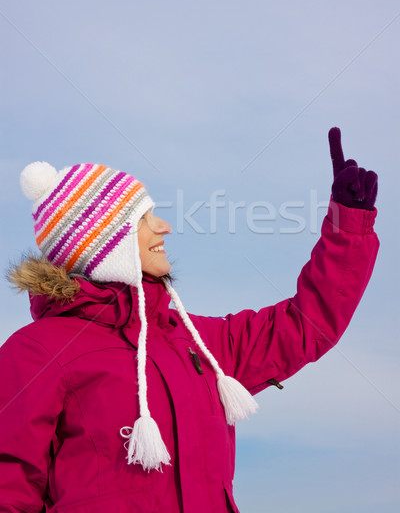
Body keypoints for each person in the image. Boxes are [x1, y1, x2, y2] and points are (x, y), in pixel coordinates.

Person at [0, 127, 379, 513]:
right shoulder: (37, 352)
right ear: (103, 244)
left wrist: (348, 226)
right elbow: (9, 485)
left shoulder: (199, 343)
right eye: (143, 219)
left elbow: (306, 325)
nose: (163, 227)